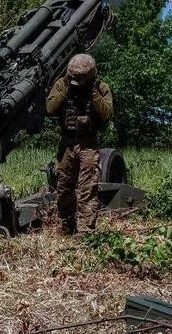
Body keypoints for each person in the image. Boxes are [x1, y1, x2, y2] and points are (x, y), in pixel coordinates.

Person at [45, 54, 113, 235]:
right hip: (67, 143)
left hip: (88, 144)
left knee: (87, 189)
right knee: (63, 187)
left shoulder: (101, 88)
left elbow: (107, 113)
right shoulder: (62, 84)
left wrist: (93, 93)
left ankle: (85, 231)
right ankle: (67, 227)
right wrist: (67, 89)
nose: (76, 80)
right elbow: (50, 108)